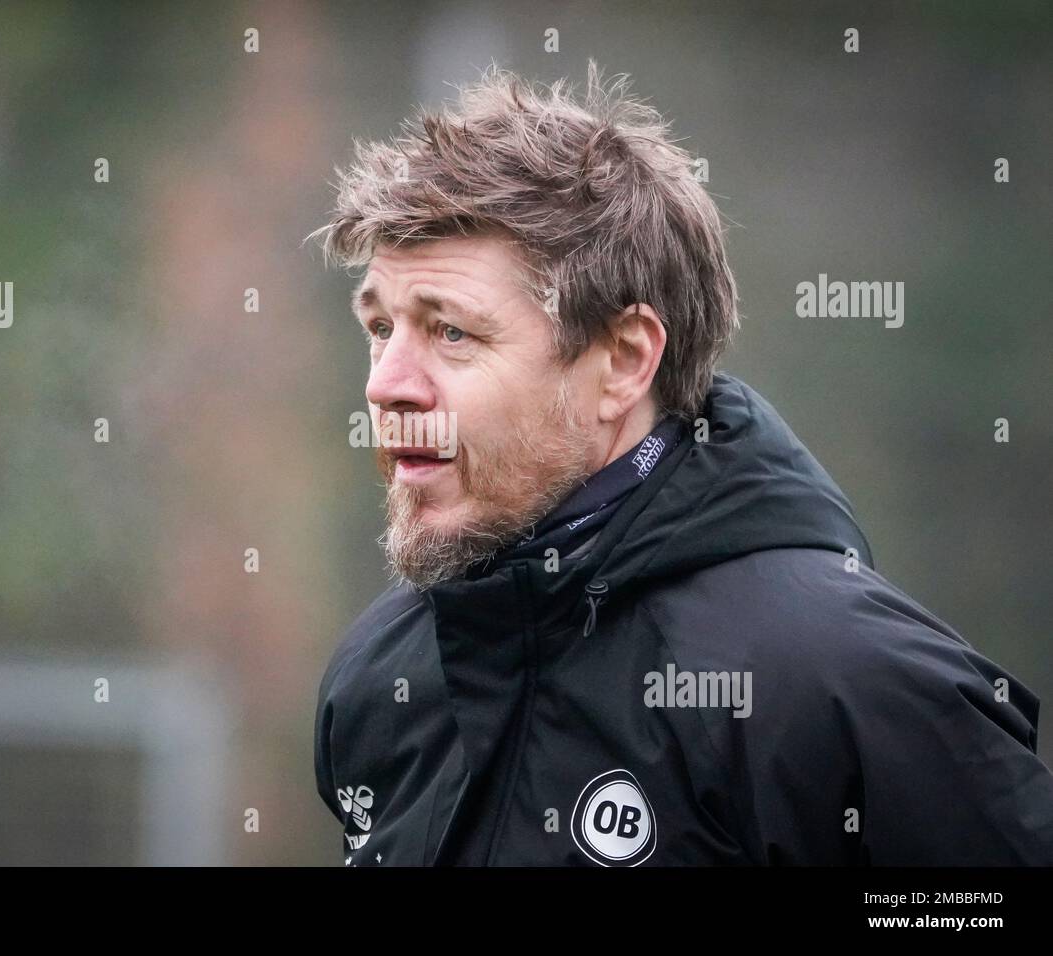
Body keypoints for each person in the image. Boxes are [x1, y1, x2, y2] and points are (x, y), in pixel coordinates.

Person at [306, 61, 1053, 865]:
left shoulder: (844, 689)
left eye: (450, 331)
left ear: (624, 360)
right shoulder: (378, 679)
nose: (386, 385)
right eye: (381, 328)